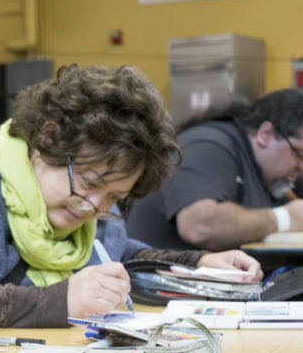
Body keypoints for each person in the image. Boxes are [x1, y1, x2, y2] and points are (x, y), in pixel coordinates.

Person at [0, 64, 262, 329]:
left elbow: (116, 253)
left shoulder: (89, 209)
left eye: (114, 197)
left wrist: (199, 265)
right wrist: (57, 302)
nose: (94, 207)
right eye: (90, 183)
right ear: (49, 138)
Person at [126, 88, 303, 250]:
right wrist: (285, 218)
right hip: (161, 273)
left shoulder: (271, 173)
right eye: (300, 154)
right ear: (266, 134)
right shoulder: (207, 145)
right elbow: (198, 225)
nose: (301, 167)